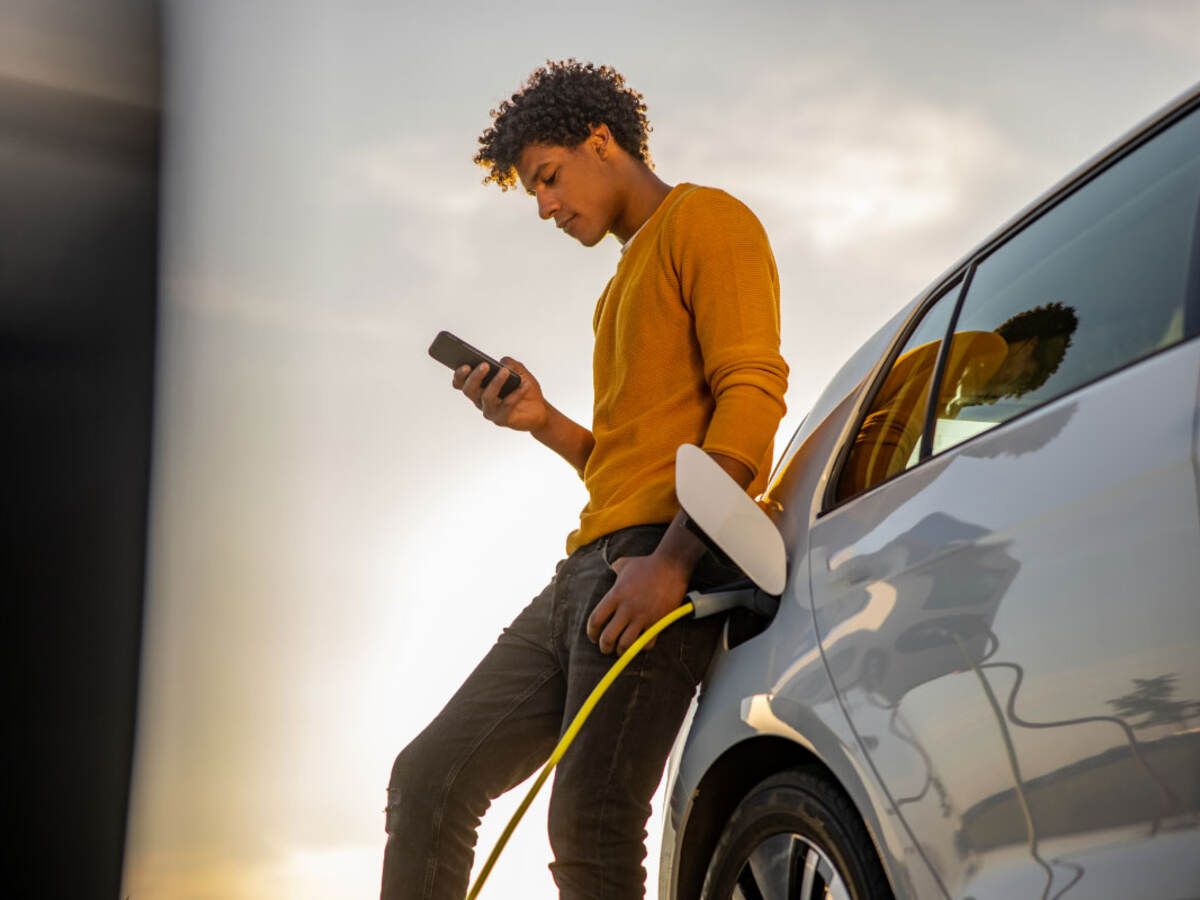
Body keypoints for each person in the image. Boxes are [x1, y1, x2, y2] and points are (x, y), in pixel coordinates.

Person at [381, 60, 789, 900]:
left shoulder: (707, 220)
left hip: (660, 559)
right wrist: (544, 421)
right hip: (586, 570)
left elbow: (752, 396)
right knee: (428, 777)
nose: (545, 205)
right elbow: (627, 459)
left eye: (549, 177)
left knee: (590, 826)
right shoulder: (616, 292)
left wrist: (673, 563)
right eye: (535, 189)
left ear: (600, 142)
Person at [842, 301, 1078, 494]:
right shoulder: (991, 348)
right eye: (1022, 377)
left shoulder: (959, 363)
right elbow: (891, 427)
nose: (994, 401)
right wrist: (866, 514)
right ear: (1027, 346)